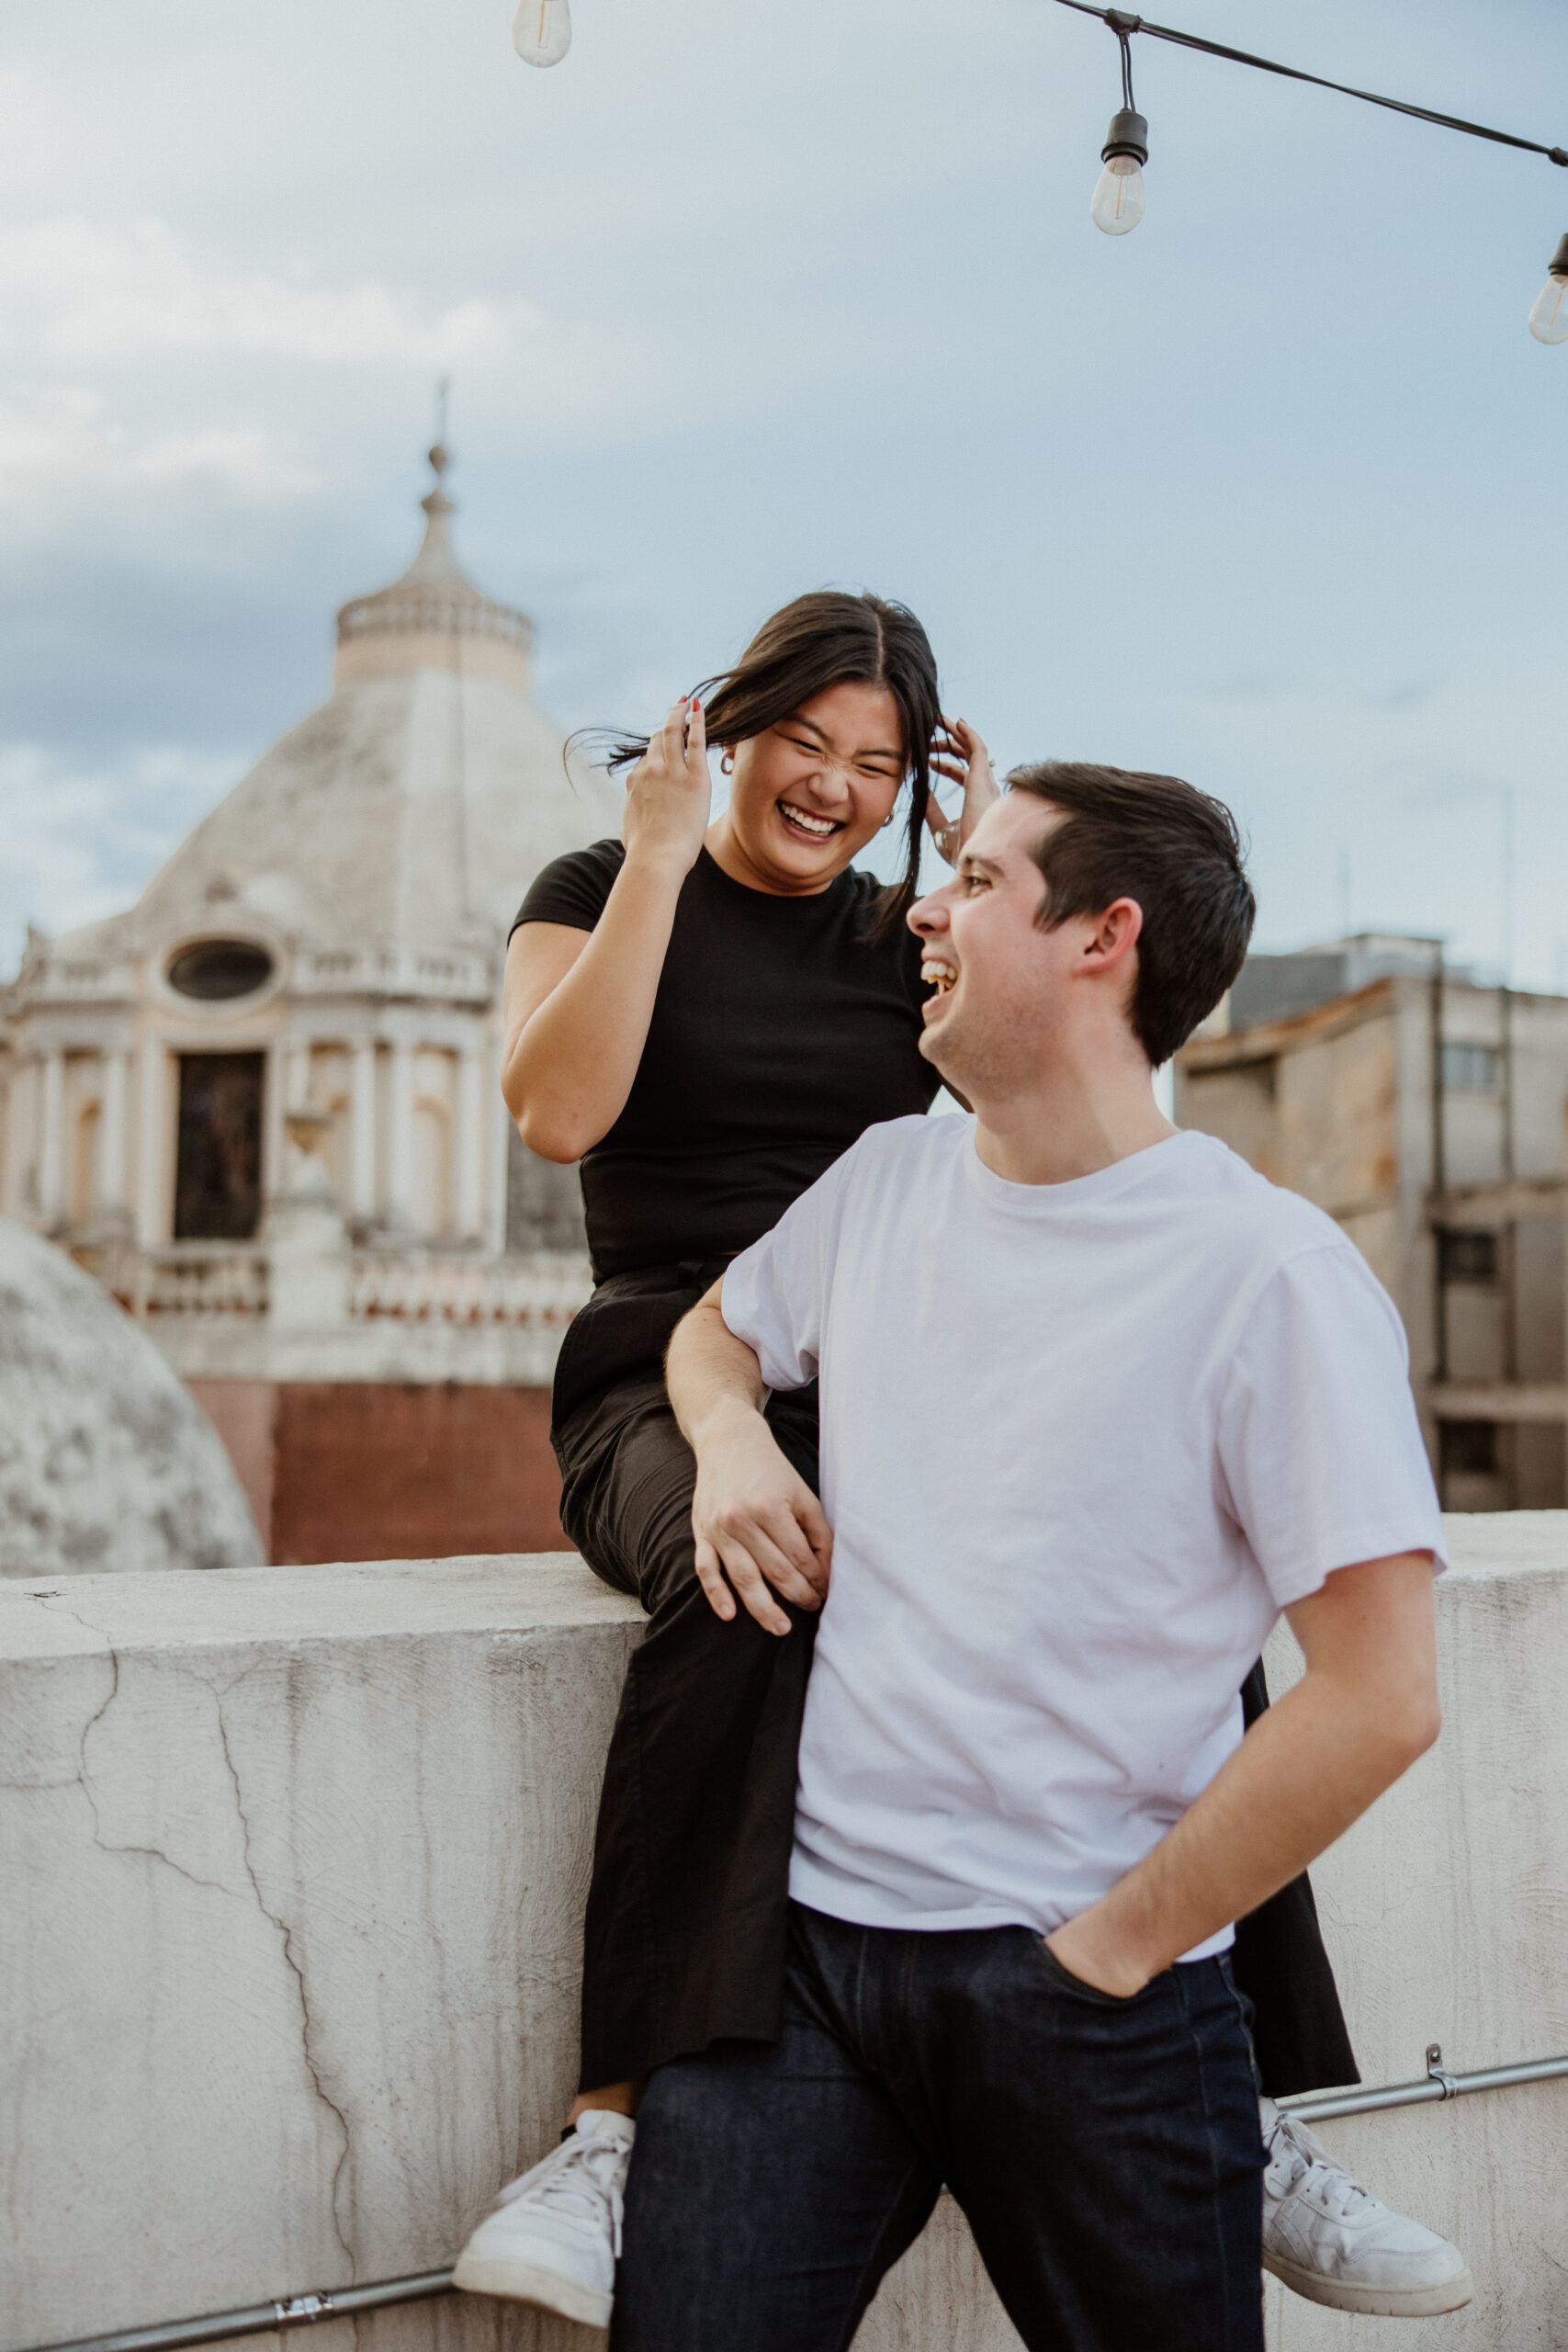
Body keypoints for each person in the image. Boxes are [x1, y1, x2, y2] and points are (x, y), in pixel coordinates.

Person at [451, 604, 1454, 2326]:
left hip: (877, 1344)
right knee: (740, 1571)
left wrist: (968, 882)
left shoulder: (903, 946)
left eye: (881, 765)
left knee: (1170, 1594)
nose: (835, 790)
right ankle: (611, 2119)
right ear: (729, 728)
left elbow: (1098, 1077)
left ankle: (1267, 2103)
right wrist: (658, 858)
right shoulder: (605, 884)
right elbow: (557, 1115)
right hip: (687, 1348)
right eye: (807, 746)